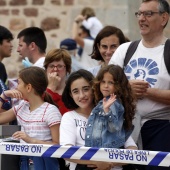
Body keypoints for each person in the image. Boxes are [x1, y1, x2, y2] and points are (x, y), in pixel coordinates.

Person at [109, 0, 170, 170]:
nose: (142, 18)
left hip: (162, 129)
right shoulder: (125, 50)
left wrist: (148, 92)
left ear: (164, 18)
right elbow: (104, 86)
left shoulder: (168, 50)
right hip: (125, 127)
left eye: (148, 14)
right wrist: (126, 89)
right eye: (139, 14)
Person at [60, 69, 137, 170]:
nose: (82, 95)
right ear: (71, 94)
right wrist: (96, 161)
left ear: (94, 88)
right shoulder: (69, 117)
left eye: (86, 89)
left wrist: (110, 163)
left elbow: (132, 150)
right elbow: (66, 152)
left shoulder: (111, 110)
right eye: (76, 91)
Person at [0, 66, 61, 170]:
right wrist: (3, 96)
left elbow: (58, 145)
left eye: (18, 83)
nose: (16, 87)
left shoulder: (51, 111)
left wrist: (30, 140)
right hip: (24, 162)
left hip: (44, 162)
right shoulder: (22, 106)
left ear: (28, 87)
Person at [44, 48, 71, 115]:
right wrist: (51, 88)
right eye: (51, 66)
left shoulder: (71, 92)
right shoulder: (38, 89)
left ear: (67, 69)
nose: (55, 69)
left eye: (60, 66)